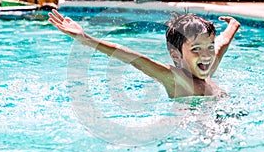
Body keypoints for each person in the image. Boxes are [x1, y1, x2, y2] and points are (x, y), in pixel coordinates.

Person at [48, 9, 240, 98]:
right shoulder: (177, 79)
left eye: (209, 46)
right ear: (176, 56)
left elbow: (222, 44)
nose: (206, 54)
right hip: (195, 138)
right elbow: (134, 58)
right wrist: (86, 39)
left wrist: (232, 26)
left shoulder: (207, 67)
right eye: (196, 49)